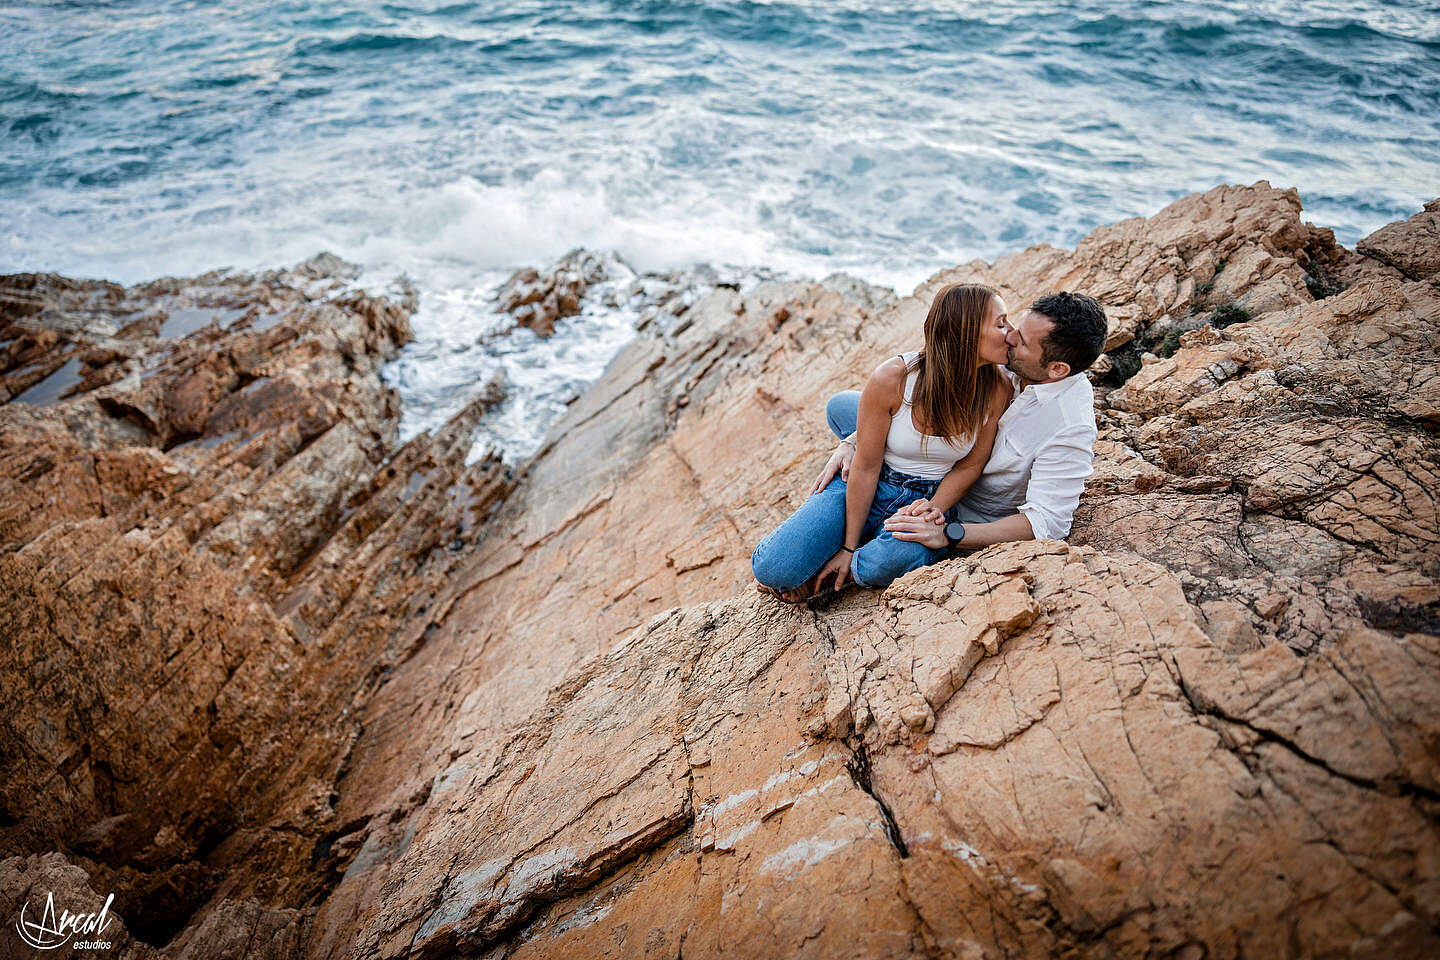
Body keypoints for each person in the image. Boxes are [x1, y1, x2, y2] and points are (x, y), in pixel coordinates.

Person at [751, 282, 1013, 602]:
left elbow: (970, 464)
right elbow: (867, 466)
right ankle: (848, 540)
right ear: (965, 332)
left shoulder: (998, 387)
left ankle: (848, 571)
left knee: (885, 561)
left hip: (929, 496)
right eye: (1000, 323)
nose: (1010, 331)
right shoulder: (895, 377)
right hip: (874, 481)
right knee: (773, 568)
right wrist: (847, 546)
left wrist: (934, 508)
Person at [820, 291, 1108, 557]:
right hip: (943, 451)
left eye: (1021, 342)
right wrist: (855, 441)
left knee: (882, 562)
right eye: (1015, 329)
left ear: (1057, 370)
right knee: (843, 405)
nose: (1009, 338)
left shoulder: (1069, 427)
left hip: (961, 501)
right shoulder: (1013, 365)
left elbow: (1046, 524)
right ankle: (872, 460)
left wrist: (948, 534)